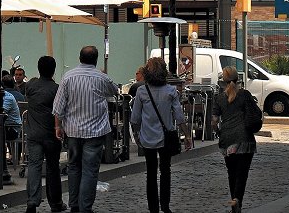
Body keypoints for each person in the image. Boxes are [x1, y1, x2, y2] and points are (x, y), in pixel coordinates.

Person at [53, 45, 118, 213]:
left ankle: (74, 204)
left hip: (73, 131)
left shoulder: (68, 77)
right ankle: (85, 207)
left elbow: (58, 106)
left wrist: (57, 126)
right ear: (95, 60)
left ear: (79, 58)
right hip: (95, 131)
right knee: (90, 170)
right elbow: (115, 91)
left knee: (74, 167)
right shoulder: (101, 77)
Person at [130, 57, 191, 213]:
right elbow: (179, 116)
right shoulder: (171, 91)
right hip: (166, 136)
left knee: (151, 173)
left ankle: (153, 208)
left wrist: (136, 136)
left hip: (147, 136)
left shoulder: (142, 91)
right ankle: (165, 205)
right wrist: (187, 136)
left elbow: (135, 118)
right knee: (166, 171)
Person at [212, 66, 258, 213]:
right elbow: (254, 112)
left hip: (227, 139)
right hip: (244, 139)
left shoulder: (219, 98)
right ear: (237, 79)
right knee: (242, 173)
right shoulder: (245, 94)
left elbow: (214, 120)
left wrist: (218, 131)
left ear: (223, 81)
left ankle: (234, 202)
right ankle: (238, 199)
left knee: (231, 173)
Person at [25, 56, 65, 213]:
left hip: (33, 133)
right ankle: (55, 202)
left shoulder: (31, 86)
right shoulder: (56, 89)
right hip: (51, 134)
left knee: (34, 166)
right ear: (54, 70)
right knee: (52, 168)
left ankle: (32, 201)